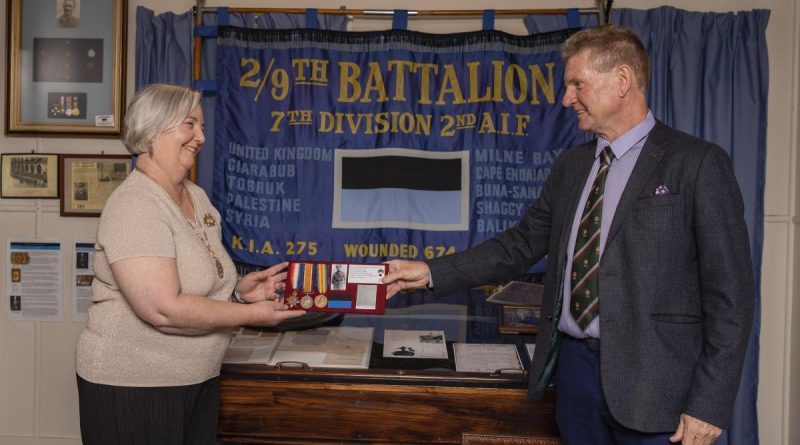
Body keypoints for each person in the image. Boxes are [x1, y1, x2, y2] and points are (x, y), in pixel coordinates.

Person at [383, 25, 754, 445]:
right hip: (574, 381)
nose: (566, 99)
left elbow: (732, 296)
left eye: (577, 84)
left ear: (622, 80)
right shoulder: (572, 167)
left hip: (659, 392)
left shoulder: (698, 163)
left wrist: (709, 403)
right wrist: (430, 271)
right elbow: (519, 245)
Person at [74, 83, 306, 444]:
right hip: (136, 384)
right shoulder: (136, 204)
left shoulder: (195, 196)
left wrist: (240, 294)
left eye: (203, 127)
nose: (200, 136)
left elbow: (201, 280)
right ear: (152, 131)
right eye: (189, 124)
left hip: (196, 377)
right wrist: (253, 316)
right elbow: (164, 310)